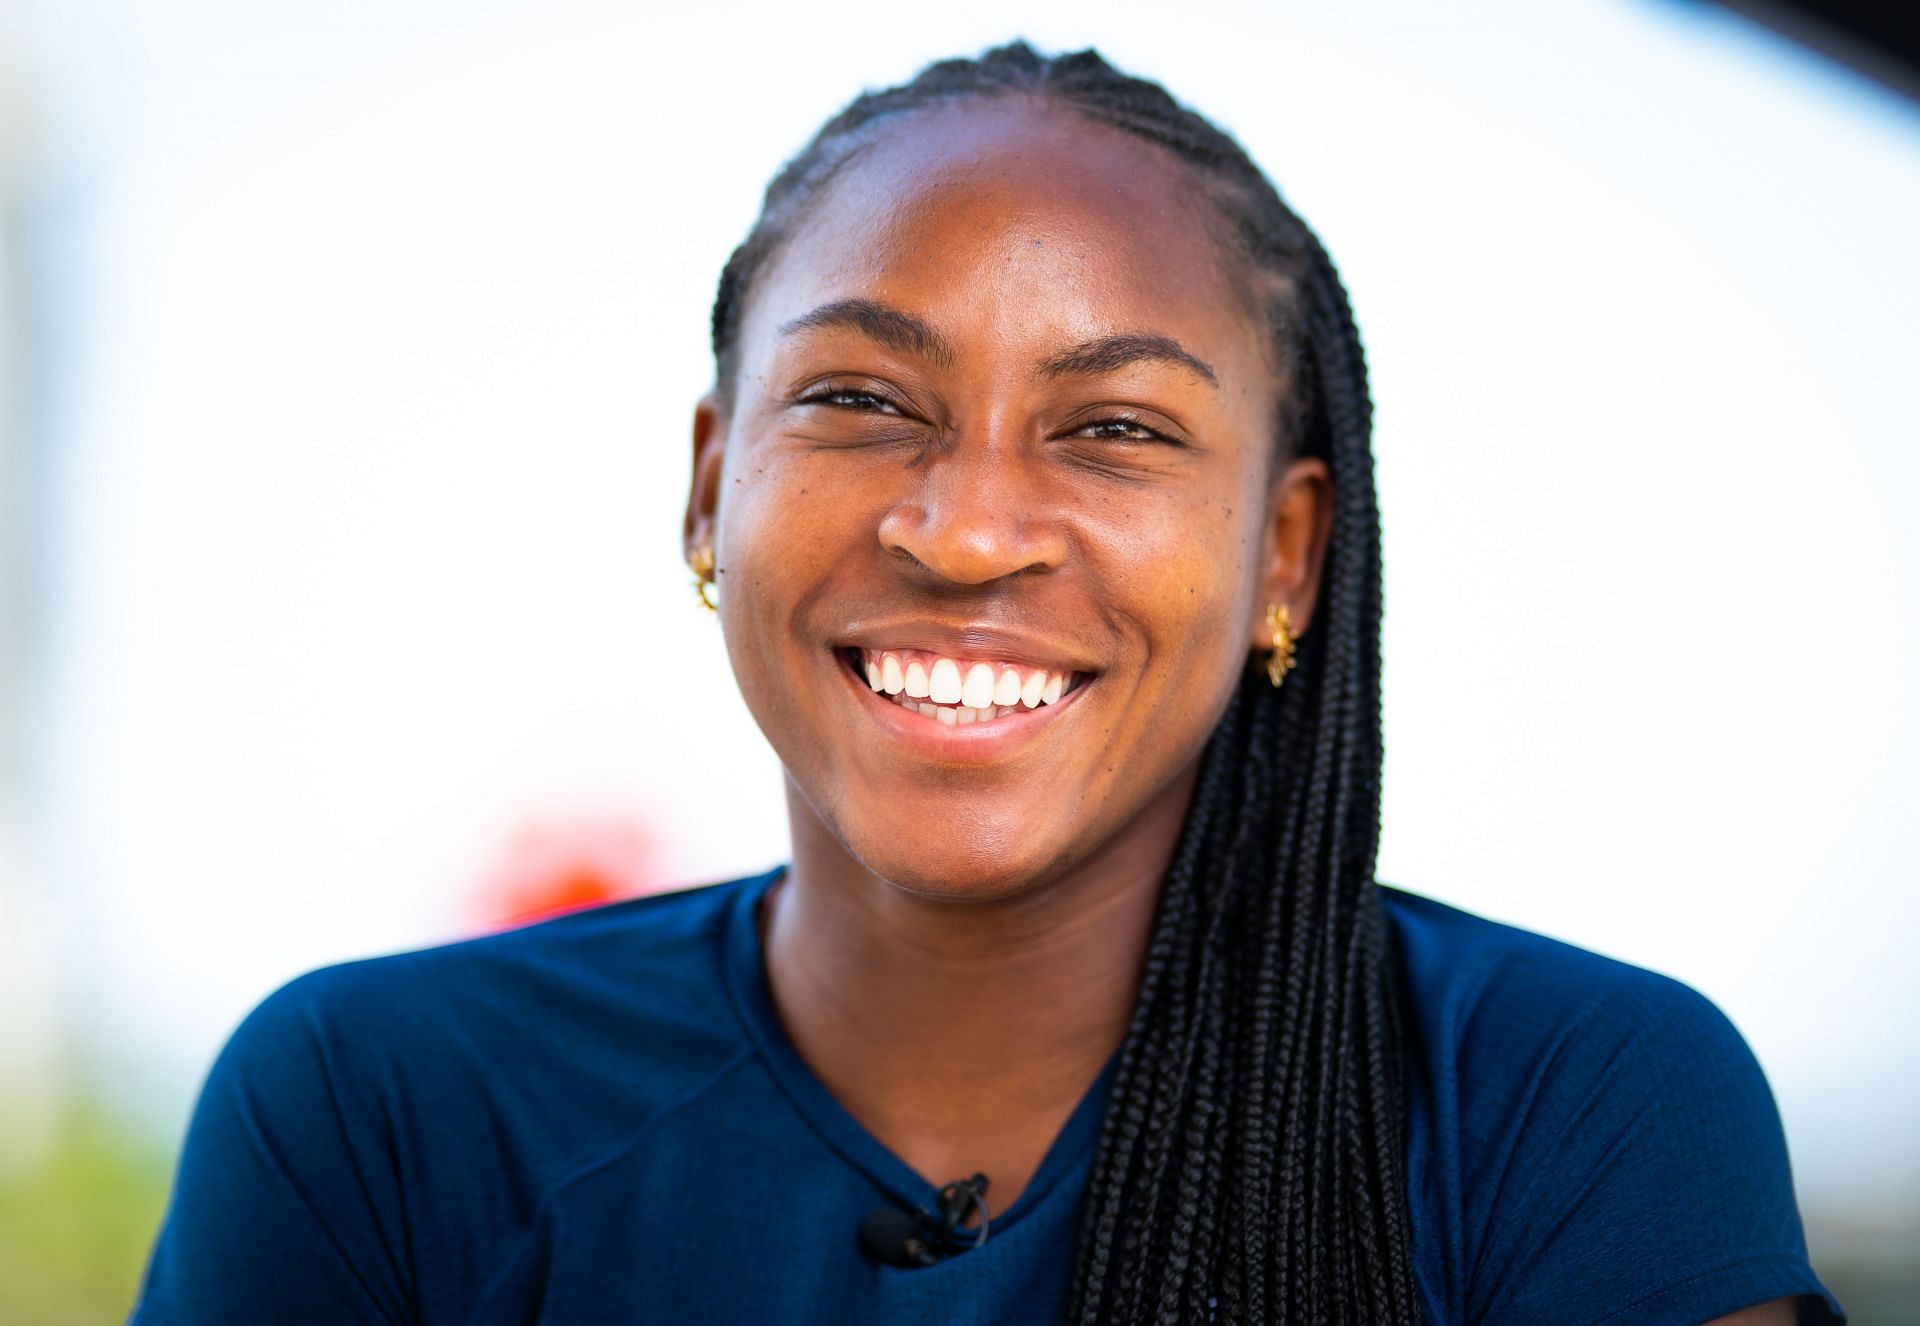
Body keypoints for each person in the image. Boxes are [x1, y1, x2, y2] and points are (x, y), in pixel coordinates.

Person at [128, 42, 1844, 1326]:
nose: (965, 534)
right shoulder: (376, 1118)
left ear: (1286, 556)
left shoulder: (1570, 1110)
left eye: (1113, 429)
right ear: (711, 479)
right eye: (863, 401)